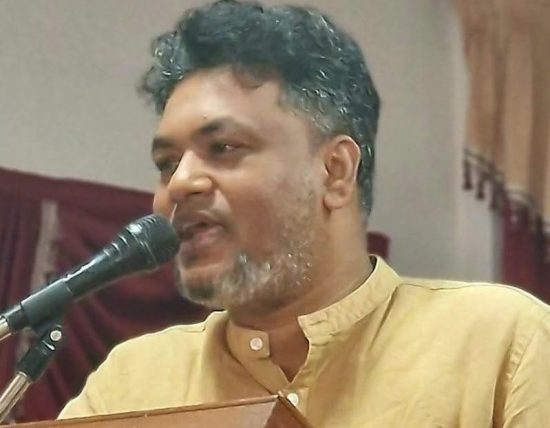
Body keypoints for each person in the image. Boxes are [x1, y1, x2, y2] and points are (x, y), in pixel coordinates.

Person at [59, 1, 550, 426]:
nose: (180, 183)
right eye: (167, 163)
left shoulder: (502, 342)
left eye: (224, 147)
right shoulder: (130, 384)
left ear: (335, 172)